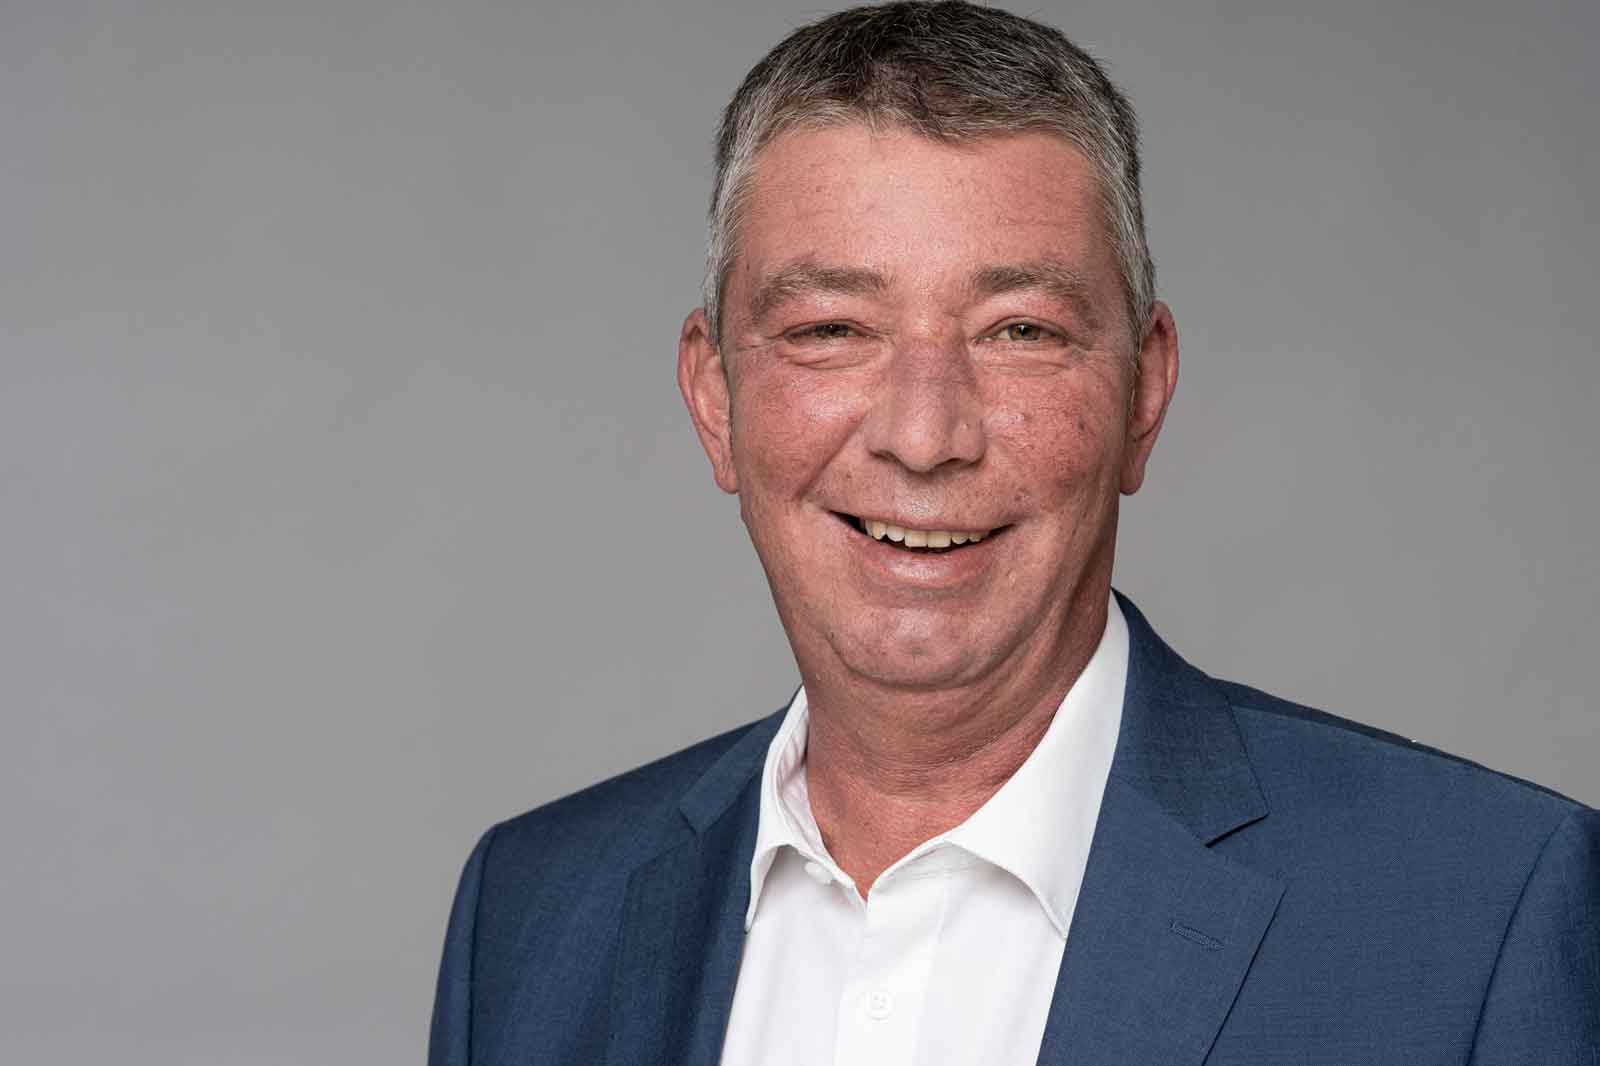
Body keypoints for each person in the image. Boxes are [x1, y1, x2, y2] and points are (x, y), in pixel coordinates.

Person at [428, 3, 1599, 1063]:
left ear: (1142, 390)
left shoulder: (1484, 908)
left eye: (1020, 330)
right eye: (832, 328)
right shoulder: (533, 914)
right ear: (714, 397)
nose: (925, 434)